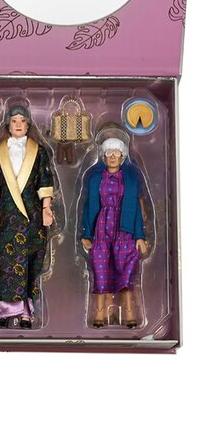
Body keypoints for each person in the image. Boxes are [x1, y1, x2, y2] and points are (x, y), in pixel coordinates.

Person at [0, 105, 54, 329]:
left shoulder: (38, 151)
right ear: (8, 125)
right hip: (5, 217)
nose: (19, 125)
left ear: (29, 125)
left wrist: (46, 207)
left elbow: (45, 181)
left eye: (22, 121)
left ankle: (26, 312)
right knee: (6, 263)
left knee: (31, 262)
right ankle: (5, 309)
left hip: (32, 216)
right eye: (14, 121)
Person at [81, 137, 148, 327]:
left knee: (125, 271)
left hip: (124, 229)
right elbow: (88, 206)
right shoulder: (96, 179)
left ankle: (129, 314)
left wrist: (139, 236)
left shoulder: (130, 180)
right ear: (103, 156)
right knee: (100, 270)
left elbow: (136, 209)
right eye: (109, 152)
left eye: (116, 153)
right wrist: (87, 234)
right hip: (102, 227)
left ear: (122, 156)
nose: (112, 156)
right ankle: (100, 315)